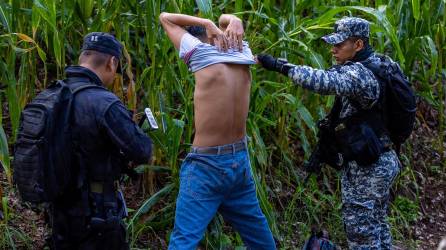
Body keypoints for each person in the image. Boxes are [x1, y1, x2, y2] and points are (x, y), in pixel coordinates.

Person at [257, 17, 401, 249]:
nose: (333, 49)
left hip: (369, 168)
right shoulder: (380, 64)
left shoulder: (360, 74)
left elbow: (324, 81)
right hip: (382, 159)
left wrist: (279, 65)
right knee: (378, 227)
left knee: (363, 236)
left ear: (358, 45)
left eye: (340, 44)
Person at [159, 12, 276, 249]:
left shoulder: (199, 52)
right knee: (263, 243)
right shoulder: (240, 50)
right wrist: (233, 21)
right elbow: (227, 20)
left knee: (183, 242)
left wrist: (206, 23)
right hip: (238, 161)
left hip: (207, 166)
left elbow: (165, 18)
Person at [49, 32, 152, 249]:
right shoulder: (104, 102)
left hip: (58, 209)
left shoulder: (51, 94)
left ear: (82, 58)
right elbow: (142, 150)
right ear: (112, 63)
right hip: (96, 212)